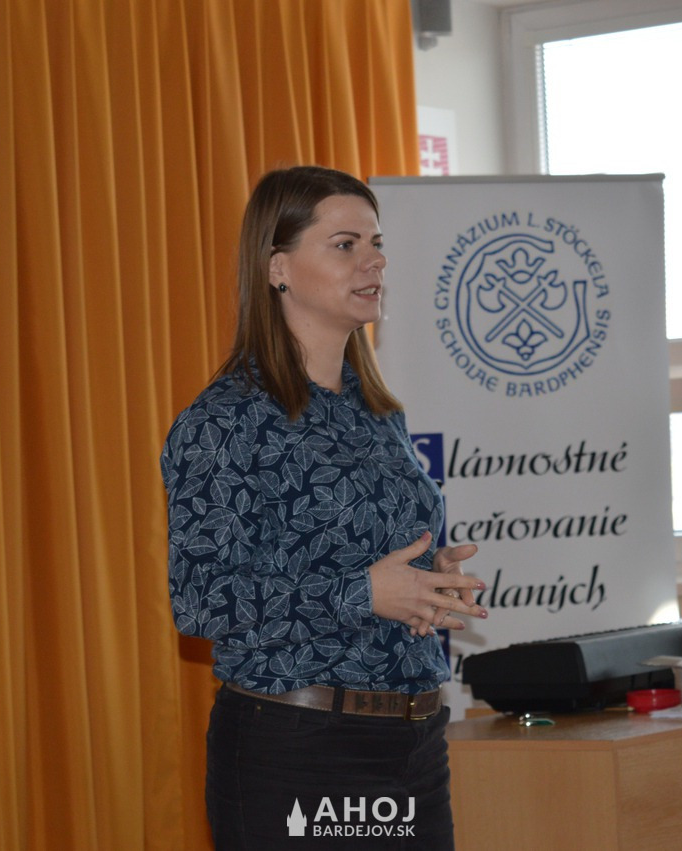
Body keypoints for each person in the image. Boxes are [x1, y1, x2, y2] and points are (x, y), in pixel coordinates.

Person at [161, 165, 487, 849]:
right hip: (300, 749)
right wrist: (364, 593)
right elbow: (201, 600)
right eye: (345, 245)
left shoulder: (377, 412)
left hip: (412, 743)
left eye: (376, 243)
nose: (374, 261)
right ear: (277, 268)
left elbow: (361, 558)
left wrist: (427, 579)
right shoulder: (225, 421)